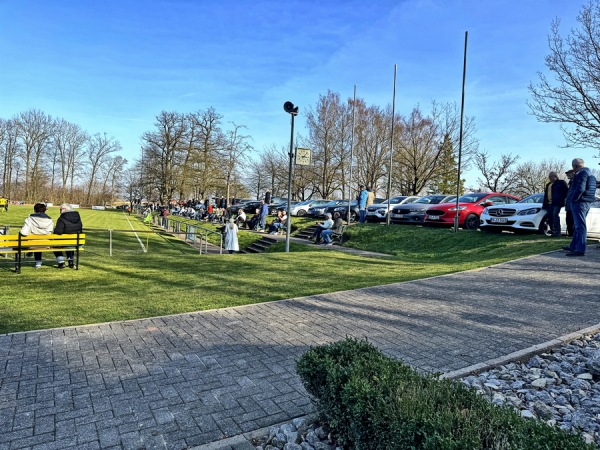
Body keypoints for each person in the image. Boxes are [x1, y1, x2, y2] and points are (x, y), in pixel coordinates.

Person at [564, 158, 597, 256]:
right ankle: (573, 246)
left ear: (575, 166)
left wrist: (574, 199)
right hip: (587, 201)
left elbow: (580, 188)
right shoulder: (590, 174)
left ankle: (579, 249)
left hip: (580, 202)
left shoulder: (581, 173)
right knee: (577, 226)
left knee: (580, 226)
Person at [20, 203, 54, 269]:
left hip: (32, 244)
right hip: (46, 244)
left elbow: (23, 232)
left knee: (34, 242)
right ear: (44, 210)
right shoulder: (50, 220)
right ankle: (38, 262)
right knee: (39, 242)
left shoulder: (30, 219)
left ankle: (37, 262)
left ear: (35, 210)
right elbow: (50, 231)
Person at [53, 203, 83, 269]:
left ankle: (61, 262)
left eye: (60, 209)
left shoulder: (61, 218)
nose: (59, 211)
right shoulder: (78, 217)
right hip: (78, 243)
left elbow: (58, 232)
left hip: (66, 242)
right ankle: (70, 261)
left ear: (64, 209)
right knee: (69, 242)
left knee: (55, 244)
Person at [542, 171, 569, 237]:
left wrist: (562, 199)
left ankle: (557, 231)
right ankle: (553, 230)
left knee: (555, 215)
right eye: (549, 177)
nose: (550, 178)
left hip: (557, 203)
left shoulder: (561, 183)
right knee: (549, 216)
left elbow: (566, 192)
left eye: (551, 176)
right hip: (549, 203)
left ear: (555, 176)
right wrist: (544, 204)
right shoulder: (548, 185)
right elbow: (546, 195)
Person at [564, 169, 575, 236]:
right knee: (568, 220)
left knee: (572, 220)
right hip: (568, 205)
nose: (568, 175)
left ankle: (572, 234)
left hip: (573, 204)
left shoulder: (575, 182)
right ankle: (570, 233)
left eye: (569, 173)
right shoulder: (570, 182)